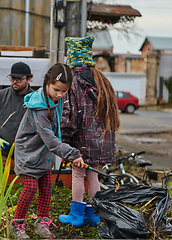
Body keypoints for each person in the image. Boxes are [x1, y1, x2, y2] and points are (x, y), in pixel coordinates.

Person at [10, 63, 84, 239]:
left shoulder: (55, 100)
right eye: (57, 90)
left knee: (46, 188)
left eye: (64, 91)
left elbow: (56, 129)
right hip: (28, 153)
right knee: (30, 188)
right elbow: (51, 140)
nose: (60, 95)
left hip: (43, 154)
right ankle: (17, 225)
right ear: (47, 83)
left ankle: (41, 223)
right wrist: (73, 154)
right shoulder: (39, 107)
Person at [58, 36, 120, 227]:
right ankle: (92, 214)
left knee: (77, 175)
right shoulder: (103, 81)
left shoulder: (74, 81)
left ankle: (75, 216)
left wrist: (65, 142)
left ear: (72, 59)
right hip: (101, 141)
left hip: (81, 140)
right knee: (93, 176)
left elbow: (69, 116)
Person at [0, 61, 34, 168]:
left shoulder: (35, 99)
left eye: (19, 79)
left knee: (21, 185)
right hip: (1, 155)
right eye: (12, 78)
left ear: (29, 79)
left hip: (26, 156)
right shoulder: (0, 96)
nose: (15, 81)